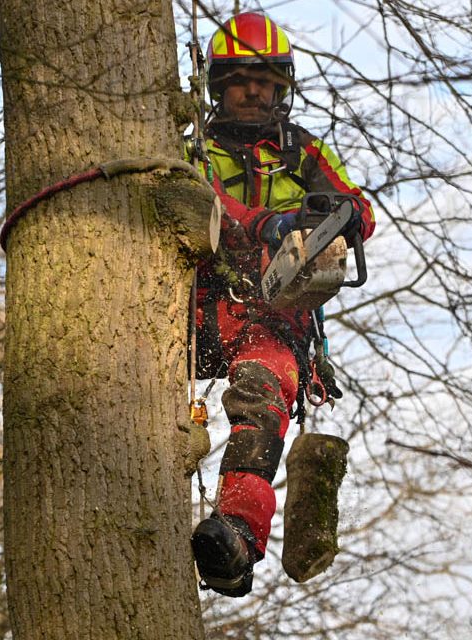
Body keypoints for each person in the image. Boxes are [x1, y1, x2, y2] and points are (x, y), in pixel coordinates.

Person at [188, 11, 376, 597]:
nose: (253, 91)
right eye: (241, 79)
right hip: (195, 307)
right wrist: (266, 223)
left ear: (282, 89)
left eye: (266, 81)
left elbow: (358, 209)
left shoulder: (303, 153)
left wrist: (326, 218)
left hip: (273, 314)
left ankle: (236, 539)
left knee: (264, 398)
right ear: (218, 88)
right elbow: (202, 204)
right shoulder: (195, 149)